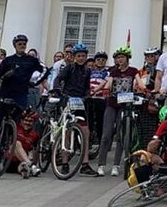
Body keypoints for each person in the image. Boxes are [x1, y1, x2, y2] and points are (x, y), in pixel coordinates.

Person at [96, 46, 145, 177]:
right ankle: (101, 164)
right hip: (112, 104)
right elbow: (109, 83)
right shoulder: (113, 71)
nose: (120, 60)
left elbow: (139, 82)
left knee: (121, 136)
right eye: (118, 58)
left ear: (127, 59)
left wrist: (144, 89)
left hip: (125, 105)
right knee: (106, 134)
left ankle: (116, 165)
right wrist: (105, 89)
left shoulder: (133, 70)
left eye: (122, 57)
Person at [52, 42, 98, 177]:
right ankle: (65, 163)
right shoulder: (68, 68)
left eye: (83, 56)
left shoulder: (87, 70)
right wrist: (57, 91)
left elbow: (87, 87)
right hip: (67, 100)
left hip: (80, 102)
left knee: (85, 131)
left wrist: (88, 95)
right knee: (67, 131)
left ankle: (85, 164)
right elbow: (58, 79)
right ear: (74, 56)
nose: (81, 58)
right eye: (79, 56)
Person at [0, 34, 47, 110]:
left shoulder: (31, 60)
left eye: (24, 44)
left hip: (21, 94)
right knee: (0, 117)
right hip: (6, 93)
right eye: (20, 44)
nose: (22, 46)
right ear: (15, 45)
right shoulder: (8, 60)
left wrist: (35, 82)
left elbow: (44, 71)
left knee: (19, 118)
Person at [86, 51, 110, 163]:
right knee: (88, 122)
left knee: (101, 123)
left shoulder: (107, 72)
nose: (100, 61)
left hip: (101, 100)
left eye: (103, 60)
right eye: (98, 59)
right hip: (90, 99)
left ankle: (101, 144)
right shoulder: (90, 72)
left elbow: (104, 83)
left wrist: (96, 90)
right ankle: (88, 143)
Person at [10, 109, 41, 178]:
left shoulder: (35, 135)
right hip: (11, 159)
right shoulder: (17, 127)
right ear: (22, 121)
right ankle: (29, 165)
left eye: (30, 121)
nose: (27, 123)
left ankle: (25, 169)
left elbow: (35, 150)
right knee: (17, 143)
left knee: (22, 166)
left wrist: (35, 161)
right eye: (25, 120)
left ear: (33, 123)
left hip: (21, 160)